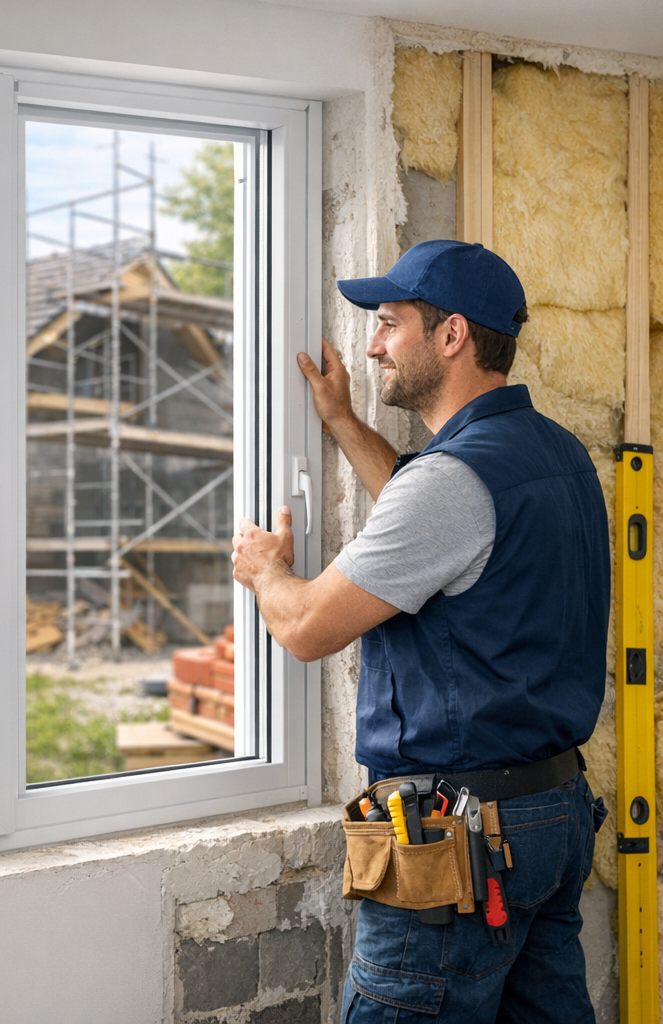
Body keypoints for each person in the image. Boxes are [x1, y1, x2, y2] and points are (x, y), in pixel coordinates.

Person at [230, 240, 609, 1022]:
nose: (372, 344)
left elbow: (303, 629)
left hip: (458, 845)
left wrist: (266, 569)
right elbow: (426, 518)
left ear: (453, 336)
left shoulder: (451, 484)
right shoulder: (553, 454)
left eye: (390, 323)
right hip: (550, 813)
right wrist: (340, 420)